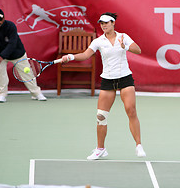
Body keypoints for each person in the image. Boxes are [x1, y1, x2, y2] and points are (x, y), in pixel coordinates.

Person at [61, 12, 146, 159]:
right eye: (101, 23)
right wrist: (71, 57)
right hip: (108, 80)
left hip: (125, 78)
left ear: (113, 23)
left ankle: (138, 145)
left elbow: (138, 50)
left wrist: (125, 47)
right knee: (101, 116)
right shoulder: (98, 41)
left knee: (131, 110)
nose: (104, 25)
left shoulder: (123, 37)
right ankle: (100, 149)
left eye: (107, 22)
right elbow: (86, 55)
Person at [0, 8, 47, 103]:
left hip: (17, 54)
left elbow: (12, 44)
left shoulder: (11, 26)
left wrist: (2, 55)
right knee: (0, 73)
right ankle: (2, 95)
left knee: (27, 73)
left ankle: (37, 93)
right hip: (1, 56)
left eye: (0, 19)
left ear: (4, 18)